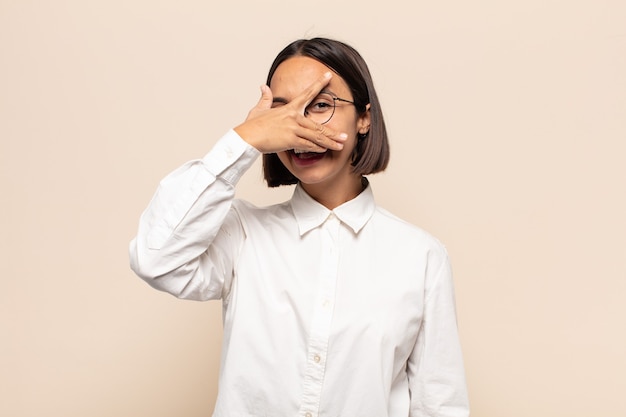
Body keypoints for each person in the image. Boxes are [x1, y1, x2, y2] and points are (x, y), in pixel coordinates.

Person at [129, 37, 469, 417]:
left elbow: (439, 403)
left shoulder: (420, 256)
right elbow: (155, 258)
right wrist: (243, 141)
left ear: (364, 117)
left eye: (320, 105)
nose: (300, 126)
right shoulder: (242, 234)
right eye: (282, 110)